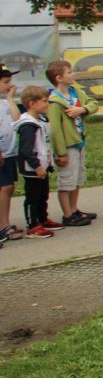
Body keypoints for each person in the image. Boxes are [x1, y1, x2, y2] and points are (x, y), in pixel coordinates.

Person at [46, 59, 99, 227]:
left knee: (77, 179)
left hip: (79, 142)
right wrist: (60, 153)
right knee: (67, 180)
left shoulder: (75, 92)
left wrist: (82, 110)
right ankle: (67, 214)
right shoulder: (55, 102)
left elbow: (93, 103)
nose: (73, 74)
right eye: (69, 72)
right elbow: (55, 130)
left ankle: (75, 209)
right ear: (58, 78)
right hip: (67, 146)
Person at [15, 86, 55, 238]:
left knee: (43, 195)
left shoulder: (39, 121)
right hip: (32, 169)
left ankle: (42, 219)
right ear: (32, 104)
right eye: (44, 101)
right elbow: (26, 150)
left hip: (42, 167)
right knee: (33, 198)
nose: (47, 104)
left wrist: (48, 163)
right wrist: (37, 166)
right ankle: (32, 225)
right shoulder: (27, 125)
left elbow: (43, 144)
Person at [0, 66, 23, 244]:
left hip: (9, 152)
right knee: (5, 187)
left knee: (8, 187)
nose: (10, 85)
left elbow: (17, 120)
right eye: (5, 82)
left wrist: (10, 97)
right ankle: (3, 225)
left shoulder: (5, 102)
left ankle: (5, 222)